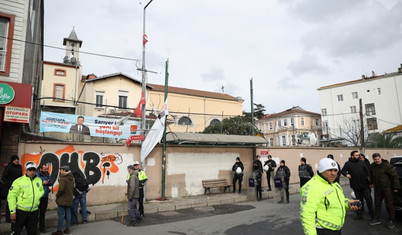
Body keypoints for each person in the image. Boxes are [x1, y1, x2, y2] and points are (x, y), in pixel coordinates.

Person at [300, 158, 360, 234]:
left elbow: (338, 202)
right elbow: (307, 214)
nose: (333, 173)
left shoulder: (334, 184)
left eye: (335, 170)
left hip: (336, 230)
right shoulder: (311, 187)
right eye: (329, 170)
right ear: (321, 171)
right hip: (322, 231)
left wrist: (348, 204)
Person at [7, 162, 43, 235]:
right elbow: (11, 197)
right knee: (15, 232)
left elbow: (41, 191)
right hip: (21, 212)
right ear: (26, 171)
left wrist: (38, 197)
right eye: (30, 170)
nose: (32, 172)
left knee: (32, 232)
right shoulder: (18, 182)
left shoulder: (39, 180)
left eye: (34, 170)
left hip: (34, 212)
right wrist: (12, 212)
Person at [341, 150, 374, 221]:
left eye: (358, 155)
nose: (358, 156)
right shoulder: (348, 163)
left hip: (364, 185)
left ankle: (373, 216)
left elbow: (368, 172)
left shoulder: (362, 163)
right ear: (352, 156)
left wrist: (370, 182)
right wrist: (346, 174)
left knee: (368, 200)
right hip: (355, 186)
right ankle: (360, 214)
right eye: (356, 155)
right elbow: (342, 171)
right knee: (359, 201)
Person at [369, 153, 400, 228]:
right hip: (377, 189)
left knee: (389, 205)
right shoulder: (372, 166)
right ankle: (377, 219)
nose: (377, 161)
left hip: (387, 188)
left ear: (380, 158)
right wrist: (371, 183)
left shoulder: (386, 165)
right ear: (373, 159)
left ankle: (392, 220)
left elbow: (394, 176)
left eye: (378, 159)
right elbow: (371, 175)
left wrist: (396, 187)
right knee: (377, 204)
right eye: (375, 159)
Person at [52, 166, 74, 235]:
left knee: (60, 214)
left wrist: (57, 195)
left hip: (62, 199)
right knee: (68, 213)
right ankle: (67, 229)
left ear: (64, 170)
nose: (60, 171)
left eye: (61, 170)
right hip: (69, 198)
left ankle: (59, 231)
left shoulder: (63, 178)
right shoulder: (71, 178)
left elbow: (61, 189)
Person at [1, 155, 22, 223]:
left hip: (18, 188)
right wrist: (10, 185)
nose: (16, 160)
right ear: (12, 160)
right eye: (15, 159)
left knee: (17, 202)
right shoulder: (8, 167)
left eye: (17, 159)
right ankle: (8, 218)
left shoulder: (20, 167)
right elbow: (4, 177)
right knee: (10, 203)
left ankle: (15, 217)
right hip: (10, 188)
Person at [36, 164, 52, 233]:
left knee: (43, 213)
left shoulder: (47, 174)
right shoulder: (36, 174)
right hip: (38, 196)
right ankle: (34, 228)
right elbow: (35, 183)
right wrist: (43, 182)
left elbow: (51, 182)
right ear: (40, 169)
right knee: (35, 213)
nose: (46, 170)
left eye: (46, 169)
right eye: (45, 169)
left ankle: (42, 228)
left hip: (45, 196)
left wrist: (48, 182)